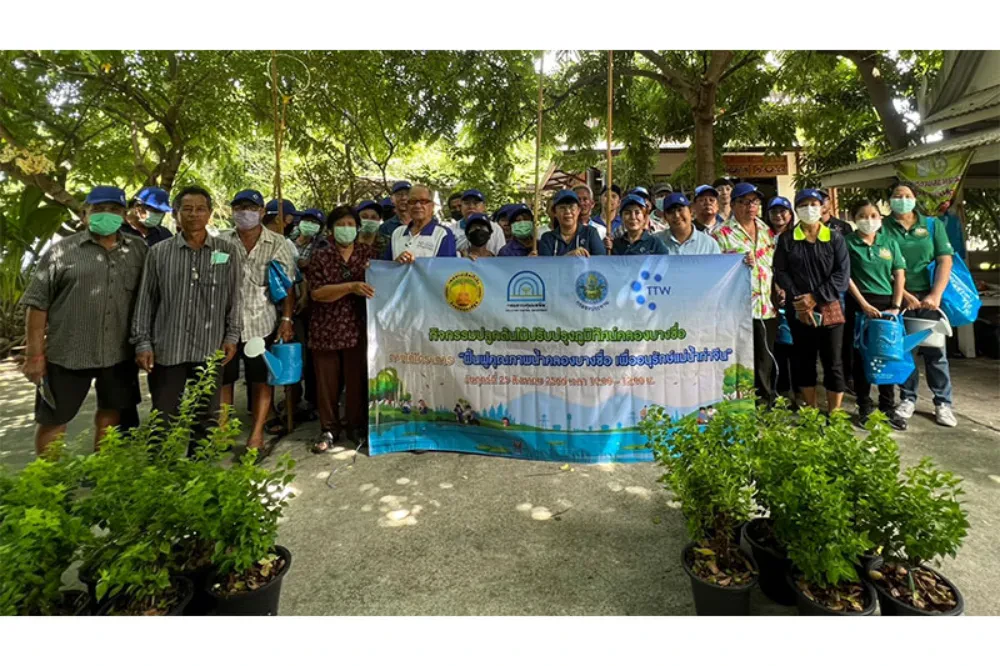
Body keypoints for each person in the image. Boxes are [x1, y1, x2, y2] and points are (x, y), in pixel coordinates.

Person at [21, 186, 147, 456]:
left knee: (111, 413)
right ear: (84, 213)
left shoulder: (138, 250)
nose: (107, 215)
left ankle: (102, 471)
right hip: (67, 353)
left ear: (124, 215)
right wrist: (34, 355)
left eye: (114, 210)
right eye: (99, 209)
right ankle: (51, 481)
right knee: (54, 419)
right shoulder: (61, 252)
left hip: (118, 352)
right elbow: (37, 304)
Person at [131, 185, 242, 428]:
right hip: (169, 348)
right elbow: (146, 299)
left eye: (201, 209)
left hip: (210, 347)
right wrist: (143, 342)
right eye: (187, 209)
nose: (194, 214)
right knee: (163, 416)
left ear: (209, 213)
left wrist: (232, 336)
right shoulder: (159, 253)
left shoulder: (227, 252)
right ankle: (159, 465)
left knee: (206, 416)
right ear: (176, 213)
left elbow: (234, 297)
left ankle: (199, 465)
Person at [217, 189, 296, 453]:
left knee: (260, 380)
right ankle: (223, 430)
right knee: (223, 380)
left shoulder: (278, 243)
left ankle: (257, 432)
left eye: (250, 207)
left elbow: (287, 286)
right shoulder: (221, 242)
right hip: (225, 326)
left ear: (262, 212)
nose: (244, 212)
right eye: (239, 207)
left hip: (261, 324)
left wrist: (286, 319)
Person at [881, 181, 957, 427]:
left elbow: (945, 260)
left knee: (936, 351)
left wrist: (934, 295)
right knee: (904, 351)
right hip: (897, 296)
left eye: (907, 195)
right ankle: (908, 397)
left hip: (929, 297)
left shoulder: (933, 225)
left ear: (915, 198)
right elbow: (882, 265)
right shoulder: (883, 227)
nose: (902, 199)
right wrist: (904, 295)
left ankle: (943, 403)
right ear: (889, 200)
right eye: (896, 195)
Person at [772, 189, 850, 414]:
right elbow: (781, 271)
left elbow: (841, 275)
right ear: (796, 210)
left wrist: (814, 297)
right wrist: (800, 299)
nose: (809, 208)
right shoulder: (787, 239)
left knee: (833, 362)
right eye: (804, 204)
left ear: (822, 206)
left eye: (814, 203)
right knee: (804, 360)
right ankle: (811, 411)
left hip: (830, 307)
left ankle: (834, 412)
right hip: (799, 308)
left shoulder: (835, 238)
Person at [306, 204, 376, 452]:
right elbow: (317, 293)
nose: (346, 229)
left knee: (357, 382)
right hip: (327, 328)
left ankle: (355, 426)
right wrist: (350, 287)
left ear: (358, 229)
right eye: (340, 225)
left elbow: (385, 279)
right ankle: (328, 429)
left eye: (350, 225)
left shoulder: (368, 254)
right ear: (330, 230)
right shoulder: (321, 256)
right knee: (327, 384)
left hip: (358, 327)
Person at [844, 200, 908, 431]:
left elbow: (899, 274)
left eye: (873, 215)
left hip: (888, 305)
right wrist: (862, 304)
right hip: (860, 305)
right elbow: (846, 276)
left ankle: (888, 408)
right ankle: (864, 406)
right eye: (863, 215)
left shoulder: (889, 242)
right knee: (862, 358)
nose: (868, 220)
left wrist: (896, 305)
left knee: (887, 355)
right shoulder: (848, 243)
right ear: (854, 218)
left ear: (880, 218)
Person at [711, 182, 777, 406]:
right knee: (741, 357)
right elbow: (714, 272)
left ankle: (765, 403)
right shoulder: (721, 234)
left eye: (755, 201)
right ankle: (742, 403)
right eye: (745, 202)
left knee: (765, 358)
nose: (751, 206)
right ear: (734, 204)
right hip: (738, 307)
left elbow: (772, 265)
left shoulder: (767, 230)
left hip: (766, 305)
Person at [765, 196, 798, 405]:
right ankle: (779, 389)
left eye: (783, 211)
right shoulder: (763, 235)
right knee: (776, 347)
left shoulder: (798, 235)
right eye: (774, 212)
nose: (779, 216)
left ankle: (797, 391)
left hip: (795, 296)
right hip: (769, 297)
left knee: (795, 347)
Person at [384, 184, 458, 262]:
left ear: (432, 206)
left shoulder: (442, 234)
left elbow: (446, 268)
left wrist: (416, 263)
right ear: (407, 206)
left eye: (423, 201)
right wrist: (396, 263)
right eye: (413, 201)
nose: (418, 205)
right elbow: (386, 266)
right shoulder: (397, 233)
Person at [538, 189, 606, 257]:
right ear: (554, 212)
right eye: (562, 208)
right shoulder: (547, 238)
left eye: (572, 207)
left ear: (578, 210)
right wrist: (568, 257)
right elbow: (545, 265)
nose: (567, 211)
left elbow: (600, 262)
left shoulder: (590, 233)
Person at [657, 193, 722, 255]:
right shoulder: (656, 242)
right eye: (670, 212)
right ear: (665, 217)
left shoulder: (708, 243)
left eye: (680, 210)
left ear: (690, 211)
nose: (677, 215)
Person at [453, 189, 506, 255]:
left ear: (484, 207)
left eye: (476, 203)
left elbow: (501, 255)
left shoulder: (496, 229)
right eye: (467, 203)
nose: (471, 207)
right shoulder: (451, 230)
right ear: (461, 207)